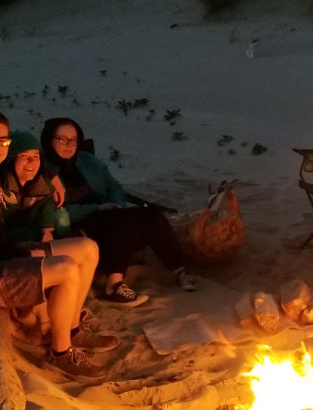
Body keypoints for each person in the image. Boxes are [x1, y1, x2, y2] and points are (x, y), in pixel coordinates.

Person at [0, 109, 117, 380]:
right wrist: (21, 253)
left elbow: (31, 157)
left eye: (2, 141)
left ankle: (73, 328)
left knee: (87, 249)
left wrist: (51, 176)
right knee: (66, 269)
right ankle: (60, 352)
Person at [40, 117, 196, 307]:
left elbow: (114, 187)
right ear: (49, 140)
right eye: (61, 139)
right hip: (75, 225)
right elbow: (54, 213)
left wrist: (117, 204)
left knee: (151, 216)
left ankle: (179, 271)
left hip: (110, 218)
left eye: (73, 139)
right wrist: (98, 208)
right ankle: (113, 286)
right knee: (121, 220)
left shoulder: (88, 161)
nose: (68, 145)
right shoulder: (43, 171)